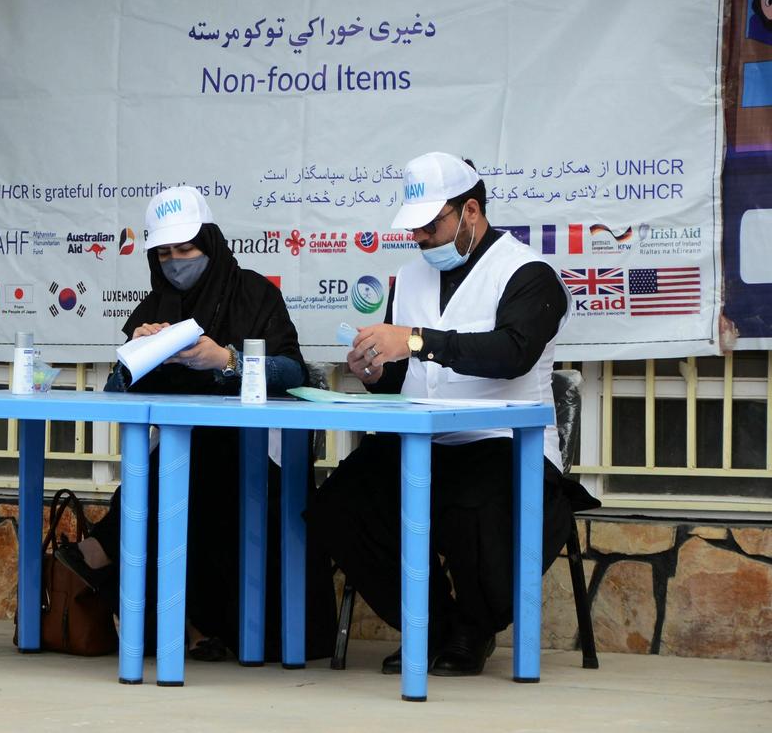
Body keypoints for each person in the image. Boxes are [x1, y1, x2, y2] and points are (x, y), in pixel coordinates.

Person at [307, 152, 575, 677]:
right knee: (341, 504)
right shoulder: (408, 278)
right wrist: (372, 369)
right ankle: (430, 623)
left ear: (470, 211)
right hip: (421, 439)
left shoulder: (529, 274)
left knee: (472, 506)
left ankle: (475, 629)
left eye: (431, 227)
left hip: (503, 442)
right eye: (414, 231)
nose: (421, 240)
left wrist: (413, 339)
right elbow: (401, 371)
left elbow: (511, 352)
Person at [55, 185, 337, 662]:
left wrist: (226, 359)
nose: (175, 261)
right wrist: (136, 356)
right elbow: (116, 394)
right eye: (164, 253)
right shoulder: (155, 307)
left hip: (257, 460)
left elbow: (292, 371)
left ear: (210, 243)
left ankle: (106, 552)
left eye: (185, 249)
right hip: (185, 457)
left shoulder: (254, 295)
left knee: (188, 464)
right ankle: (186, 623)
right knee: (171, 467)